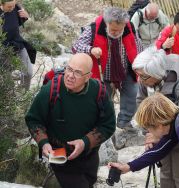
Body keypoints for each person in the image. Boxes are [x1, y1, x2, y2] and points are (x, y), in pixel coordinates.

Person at [25, 53, 116, 188]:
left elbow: (108, 125)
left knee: (88, 183)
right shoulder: (51, 89)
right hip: (59, 155)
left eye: (77, 73)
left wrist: (84, 143)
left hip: (88, 156)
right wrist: (43, 143)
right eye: (69, 69)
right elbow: (33, 119)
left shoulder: (99, 92)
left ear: (88, 77)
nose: (70, 76)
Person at [72, 7, 143, 130]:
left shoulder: (129, 27)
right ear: (107, 22)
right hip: (102, 73)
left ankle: (124, 122)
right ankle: (106, 126)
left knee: (133, 94)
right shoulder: (95, 28)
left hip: (126, 70)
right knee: (104, 101)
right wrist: (91, 49)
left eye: (119, 30)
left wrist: (141, 64)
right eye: (113, 29)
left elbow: (138, 46)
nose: (115, 32)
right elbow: (76, 45)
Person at [132, 46, 179, 188]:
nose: (140, 79)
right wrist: (149, 133)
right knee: (165, 173)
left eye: (144, 76)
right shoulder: (145, 81)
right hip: (159, 136)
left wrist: (158, 136)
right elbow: (142, 106)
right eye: (138, 75)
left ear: (156, 74)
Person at [0, 0, 34, 90]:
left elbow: (20, 21)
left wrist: (26, 16)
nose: (12, 8)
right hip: (4, 49)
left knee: (28, 72)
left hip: (18, 44)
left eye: (13, 5)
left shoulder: (15, 8)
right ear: (1, 4)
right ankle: (10, 97)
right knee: (7, 77)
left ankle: (23, 93)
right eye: (9, 7)